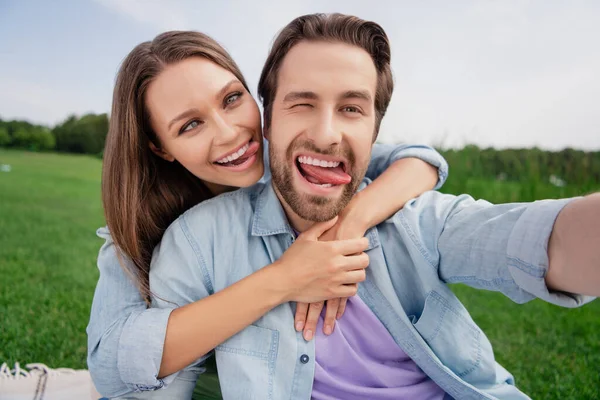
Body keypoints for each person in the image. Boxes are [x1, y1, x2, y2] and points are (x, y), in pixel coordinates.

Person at [144, 13, 598, 400]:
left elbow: (543, 240)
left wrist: (353, 220)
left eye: (352, 109)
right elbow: (150, 377)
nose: (325, 134)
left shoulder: (416, 219)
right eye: (302, 103)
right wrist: (284, 279)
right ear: (267, 118)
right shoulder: (197, 240)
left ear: (376, 128)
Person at [86, 30, 449, 398]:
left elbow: (417, 162)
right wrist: (285, 278)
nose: (229, 134)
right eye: (191, 124)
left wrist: (351, 223)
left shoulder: (296, 169)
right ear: (160, 147)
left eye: (231, 99)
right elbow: (111, 368)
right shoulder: (143, 231)